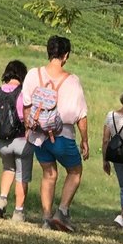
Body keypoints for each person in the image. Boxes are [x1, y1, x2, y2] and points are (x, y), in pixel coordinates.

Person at [22, 36, 88, 233]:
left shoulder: (33, 74)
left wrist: (29, 126)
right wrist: (85, 140)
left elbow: (26, 105)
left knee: (49, 174)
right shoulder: (72, 81)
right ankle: (62, 211)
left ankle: (46, 218)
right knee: (75, 171)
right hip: (62, 135)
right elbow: (81, 115)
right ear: (65, 56)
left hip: (38, 136)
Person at [0, 59, 33, 222]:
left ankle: (1, 201)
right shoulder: (23, 93)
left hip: (2, 143)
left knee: (8, 168)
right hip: (21, 141)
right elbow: (26, 119)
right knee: (21, 175)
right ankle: (18, 212)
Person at [102, 90, 123, 230]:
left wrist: (105, 160)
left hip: (117, 158)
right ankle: (122, 216)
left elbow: (105, 140)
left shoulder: (110, 116)